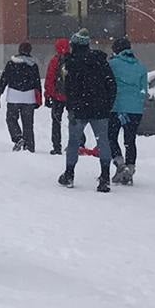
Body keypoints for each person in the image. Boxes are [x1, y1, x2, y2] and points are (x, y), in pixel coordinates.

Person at [57, 29, 116, 192]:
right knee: (103, 141)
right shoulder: (101, 61)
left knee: (74, 142)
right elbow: (111, 84)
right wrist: (108, 104)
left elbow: (66, 87)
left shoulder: (71, 62)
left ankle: (69, 174)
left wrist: (71, 105)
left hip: (78, 109)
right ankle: (105, 177)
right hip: (100, 109)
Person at [108, 37, 148, 185]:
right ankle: (130, 168)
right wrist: (138, 103)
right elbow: (144, 90)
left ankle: (119, 163)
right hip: (135, 109)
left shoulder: (112, 65)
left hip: (116, 107)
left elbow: (109, 85)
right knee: (130, 140)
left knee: (111, 137)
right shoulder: (141, 67)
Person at [0, 41, 43, 151]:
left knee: (11, 119)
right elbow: (37, 83)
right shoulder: (33, 65)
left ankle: (18, 137)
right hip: (29, 97)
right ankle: (29, 146)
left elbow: (4, 80)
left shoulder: (11, 63)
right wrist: (39, 99)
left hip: (14, 96)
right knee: (28, 123)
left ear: (19, 50)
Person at [45, 37, 74, 155]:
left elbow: (50, 79)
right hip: (71, 97)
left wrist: (48, 95)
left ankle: (57, 146)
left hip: (57, 96)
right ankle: (77, 144)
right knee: (74, 121)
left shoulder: (55, 61)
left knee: (56, 122)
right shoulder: (74, 60)